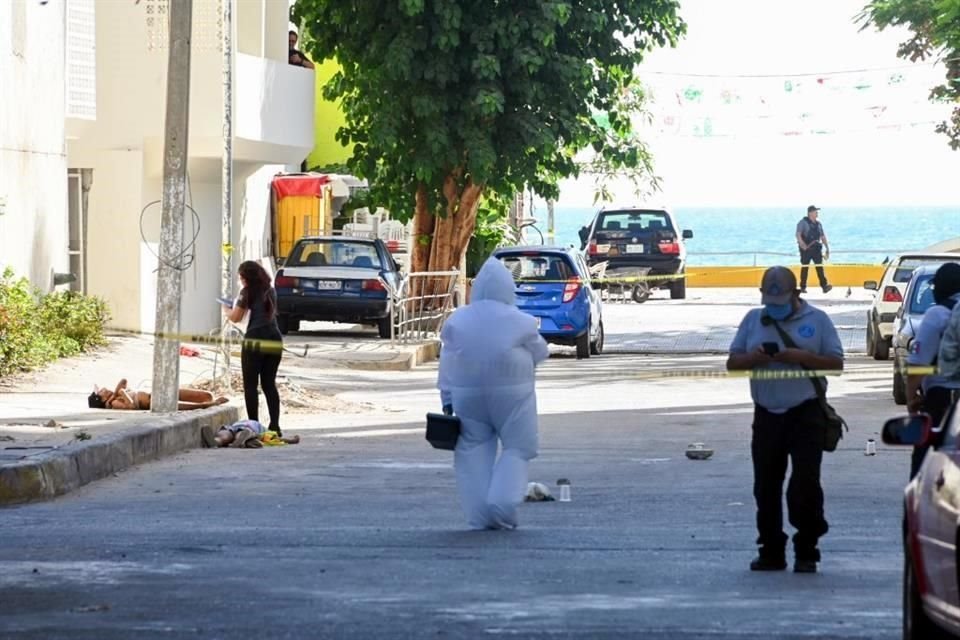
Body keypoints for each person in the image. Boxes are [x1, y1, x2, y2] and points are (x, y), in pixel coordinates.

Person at [727, 266, 844, 573]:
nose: (774, 307)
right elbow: (733, 362)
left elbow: (835, 363)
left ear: (795, 294)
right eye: (769, 300)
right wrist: (754, 357)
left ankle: (807, 549)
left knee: (805, 483)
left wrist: (802, 357)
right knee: (765, 486)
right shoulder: (754, 319)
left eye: (780, 300)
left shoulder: (817, 321)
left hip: (805, 413)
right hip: (766, 414)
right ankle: (771, 551)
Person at [437, 258, 549, 530]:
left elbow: (447, 360)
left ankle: (479, 517)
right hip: (514, 395)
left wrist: (447, 398)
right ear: (508, 289)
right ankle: (501, 503)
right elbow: (541, 352)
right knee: (518, 447)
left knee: (472, 450)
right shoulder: (520, 320)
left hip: (467, 394)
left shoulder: (457, 320)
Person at [905, 263, 960, 476]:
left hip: (943, 403)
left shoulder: (937, 314)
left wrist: (911, 401)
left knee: (924, 470)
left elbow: (918, 365)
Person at [223, 261, 284, 436]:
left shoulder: (246, 292)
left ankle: (254, 427)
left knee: (250, 385)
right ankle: (275, 426)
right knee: (269, 384)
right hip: (274, 338)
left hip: (255, 339)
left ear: (246, 278)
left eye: (241, 277)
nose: (240, 280)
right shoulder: (270, 291)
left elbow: (236, 317)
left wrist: (226, 309)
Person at [88, 379, 228, 411]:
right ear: (102, 399)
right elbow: (130, 406)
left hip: (156, 393)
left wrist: (116, 392)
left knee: (207, 395)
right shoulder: (113, 404)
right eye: (101, 391)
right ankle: (208, 405)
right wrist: (122, 394)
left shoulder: (114, 396)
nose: (104, 388)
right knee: (200, 405)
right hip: (154, 401)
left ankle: (208, 401)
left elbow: (123, 380)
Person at [795, 205, 832, 294]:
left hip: (816, 249)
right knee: (805, 267)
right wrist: (802, 245)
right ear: (810, 213)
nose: (817, 213)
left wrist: (827, 248)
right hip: (806, 249)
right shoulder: (802, 223)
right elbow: (798, 234)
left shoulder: (819, 224)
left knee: (819, 267)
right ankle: (803, 287)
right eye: (815, 211)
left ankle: (824, 286)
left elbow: (822, 236)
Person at [201, 419, 300, 448]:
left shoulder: (242, 421)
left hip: (233, 427)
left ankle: (216, 442)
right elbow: (278, 439)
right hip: (250, 429)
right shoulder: (264, 430)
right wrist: (293, 440)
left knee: (224, 436)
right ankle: (241, 441)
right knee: (245, 433)